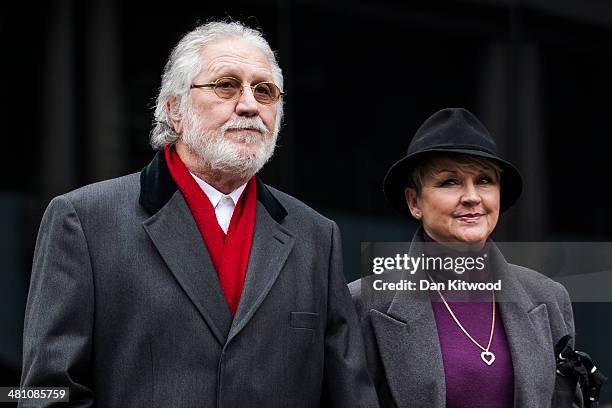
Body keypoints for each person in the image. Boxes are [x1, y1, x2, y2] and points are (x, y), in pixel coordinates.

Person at [20, 21, 378, 408]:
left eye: (265, 91)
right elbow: (45, 392)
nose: (249, 104)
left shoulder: (316, 236)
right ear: (175, 109)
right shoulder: (84, 220)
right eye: (226, 85)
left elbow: (350, 395)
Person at [350, 108, 581, 407]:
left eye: (485, 180)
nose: (472, 196)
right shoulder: (362, 304)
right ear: (414, 201)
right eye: (450, 182)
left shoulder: (549, 298)